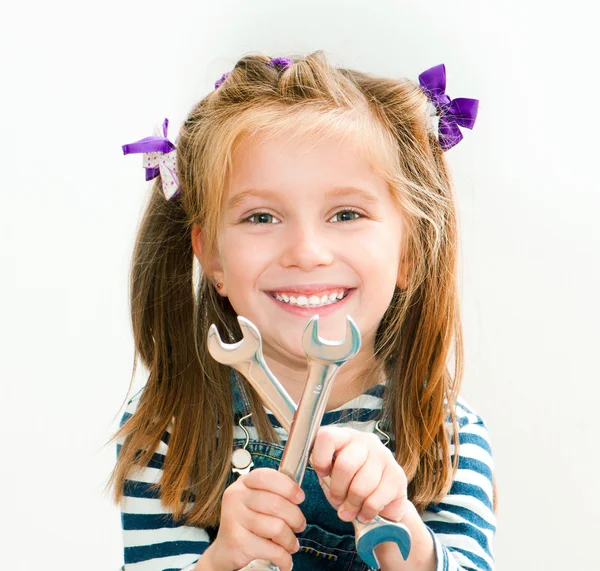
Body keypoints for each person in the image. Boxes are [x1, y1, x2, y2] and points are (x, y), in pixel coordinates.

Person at [107, 51, 496, 571]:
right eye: (262, 216)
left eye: (346, 213)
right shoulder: (167, 429)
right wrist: (222, 561)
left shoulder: (445, 434)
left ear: (409, 250)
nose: (307, 251)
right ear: (213, 258)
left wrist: (402, 532)